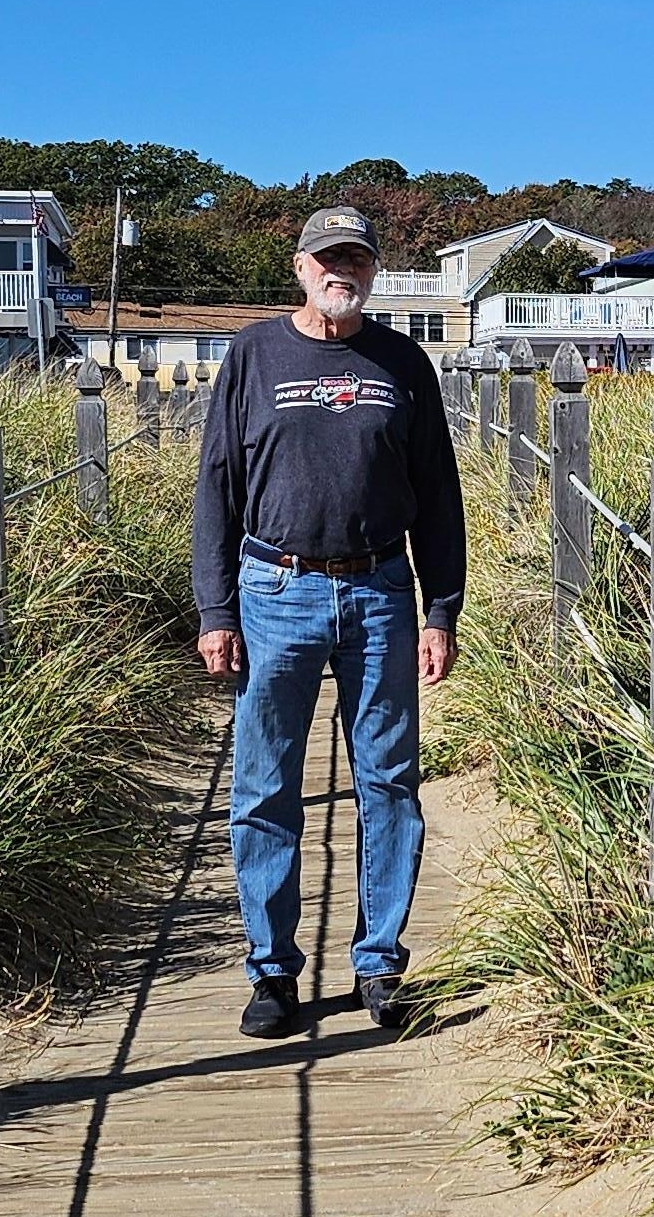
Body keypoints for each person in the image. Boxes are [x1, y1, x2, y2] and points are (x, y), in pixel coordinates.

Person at [191, 205, 467, 1034]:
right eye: (327, 258)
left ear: (374, 272)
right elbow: (217, 488)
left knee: (387, 782)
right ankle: (272, 972)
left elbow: (439, 497)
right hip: (274, 591)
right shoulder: (253, 354)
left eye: (357, 259)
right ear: (301, 266)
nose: (341, 271)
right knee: (266, 784)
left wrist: (440, 608)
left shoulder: (403, 362)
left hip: (382, 591)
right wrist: (215, 608)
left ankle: (379, 964)